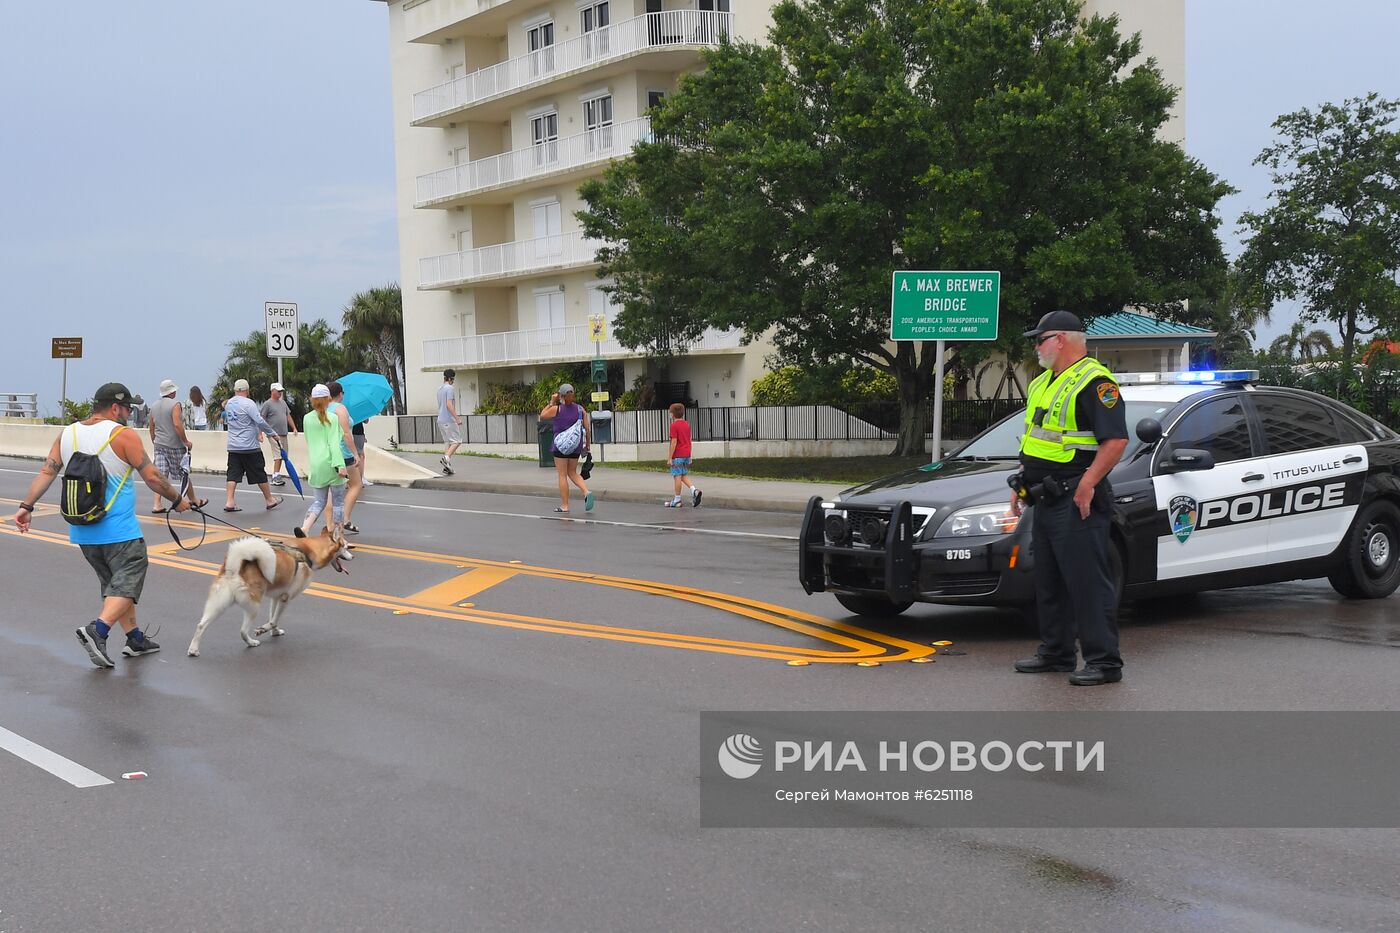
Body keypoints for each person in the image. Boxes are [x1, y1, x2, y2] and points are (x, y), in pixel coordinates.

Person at [11, 383, 196, 668]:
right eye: (127, 408)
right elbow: (153, 477)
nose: (130, 413)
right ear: (114, 408)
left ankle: (134, 638)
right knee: (129, 579)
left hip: (83, 529)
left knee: (115, 585)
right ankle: (97, 631)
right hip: (118, 530)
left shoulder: (68, 433)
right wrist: (178, 499)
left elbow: (47, 472)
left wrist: (26, 507)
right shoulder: (123, 435)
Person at [1010, 311, 1129, 686]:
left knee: (1087, 583)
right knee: (1050, 581)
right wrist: (1020, 485)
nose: (1036, 346)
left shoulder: (1096, 382)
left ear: (1060, 339)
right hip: (1043, 498)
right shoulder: (1044, 382)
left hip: (1077, 499)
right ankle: (1057, 652)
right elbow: (1036, 438)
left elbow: (1116, 441)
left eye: (1040, 339)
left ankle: (1104, 662)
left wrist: (1088, 483)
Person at [221, 378, 283, 512]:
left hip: (233, 446)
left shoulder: (229, 404)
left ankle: (230, 501)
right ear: (246, 390)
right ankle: (269, 499)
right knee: (259, 472)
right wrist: (272, 433)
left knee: (232, 473)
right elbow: (259, 421)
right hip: (249, 446)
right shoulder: (249, 404)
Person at [300, 384, 349, 536]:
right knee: (338, 503)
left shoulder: (307, 418)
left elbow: (309, 441)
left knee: (319, 502)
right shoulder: (333, 418)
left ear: (312, 400)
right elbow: (334, 443)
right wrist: (341, 465)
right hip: (333, 464)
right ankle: (338, 536)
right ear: (328, 399)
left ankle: (305, 528)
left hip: (316, 465)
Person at [148, 378, 202, 514]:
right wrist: (186, 441)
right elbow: (177, 424)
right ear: (172, 392)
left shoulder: (154, 405)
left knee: (160, 475)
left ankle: (157, 504)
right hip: (174, 445)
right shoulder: (175, 405)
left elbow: (151, 427)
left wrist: (154, 440)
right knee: (183, 473)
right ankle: (194, 499)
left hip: (159, 445)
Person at [540, 383, 592, 513]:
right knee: (573, 472)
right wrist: (587, 445)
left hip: (561, 447)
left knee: (562, 475)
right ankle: (586, 491)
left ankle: (565, 506)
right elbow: (587, 429)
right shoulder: (580, 410)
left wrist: (551, 402)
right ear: (573, 394)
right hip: (575, 446)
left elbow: (542, 416)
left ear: (561, 396)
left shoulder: (557, 409)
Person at [325, 381, 363, 534]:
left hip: (328, 453)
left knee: (331, 491)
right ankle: (344, 518)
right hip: (343, 453)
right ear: (340, 394)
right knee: (356, 484)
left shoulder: (325, 409)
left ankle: (329, 526)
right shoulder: (340, 409)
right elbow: (346, 434)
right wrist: (355, 453)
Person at [260, 381, 298, 487]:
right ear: (272, 391)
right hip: (273, 434)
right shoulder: (267, 404)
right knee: (278, 455)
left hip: (283, 433)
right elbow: (261, 419)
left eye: (281, 391)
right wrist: (260, 433)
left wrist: (294, 428)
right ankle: (275, 476)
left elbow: (288, 416)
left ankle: (277, 474)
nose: (280, 393)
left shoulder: (283, 403)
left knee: (283, 455)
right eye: (278, 391)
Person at [664, 402, 702, 508]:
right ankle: (694, 490)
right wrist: (689, 455)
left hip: (678, 454)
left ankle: (677, 499)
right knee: (683, 475)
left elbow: (674, 442)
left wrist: (670, 457)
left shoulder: (674, 425)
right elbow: (689, 440)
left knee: (677, 476)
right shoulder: (686, 424)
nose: (669, 414)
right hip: (686, 453)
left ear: (673, 414)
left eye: (670, 412)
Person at [437, 369, 462, 475]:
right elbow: (449, 404)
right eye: (453, 379)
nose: (453, 381)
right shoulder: (450, 388)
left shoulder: (439, 389)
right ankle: (446, 458)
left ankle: (447, 467)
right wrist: (457, 418)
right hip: (448, 420)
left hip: (440, 420)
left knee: (448, 442)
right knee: (457, 441)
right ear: (451, 378)